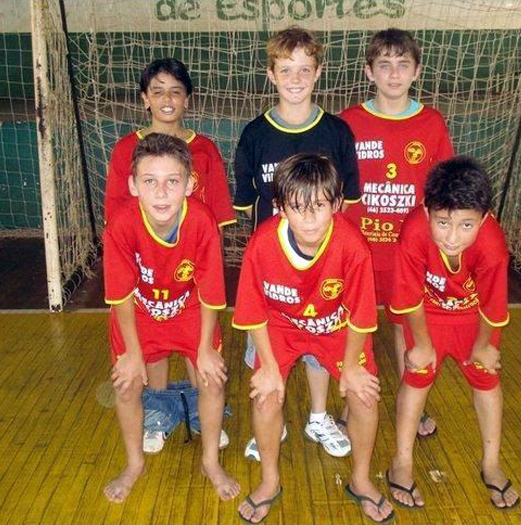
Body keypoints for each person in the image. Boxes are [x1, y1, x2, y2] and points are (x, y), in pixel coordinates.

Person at [233, 153, 393, 524]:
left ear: (337, 204)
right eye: (297, 207)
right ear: (279, 207)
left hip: (336, 327)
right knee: (266, 396)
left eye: (319, 206)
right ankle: (270, 481)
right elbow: (252, 311)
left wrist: (351, 367)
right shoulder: (262, 244)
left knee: (364, 397)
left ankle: (361, 480)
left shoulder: (353, 246)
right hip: (282, 327)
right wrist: (268, 366)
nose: (309, 219)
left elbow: (362, 315)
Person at [233, 26, 358, 460]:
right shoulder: (254, 134)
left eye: (305, 69)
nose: (296, 78)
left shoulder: (337, 132)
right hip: (273, 270)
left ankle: (319, 417)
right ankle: (274, 422)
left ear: (318, 72)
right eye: (286, 70)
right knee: (267, 353)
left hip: (323, 266)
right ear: (270, 74)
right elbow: (247, 205)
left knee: (320, 345)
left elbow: (346, 202)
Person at [104, 57, 235, 453]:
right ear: (144, 98)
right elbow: (120, 226)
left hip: (188, 280)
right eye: (157, 91)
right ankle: (157, 415)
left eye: (175, 91)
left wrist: (201, 269)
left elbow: (215, 223)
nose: (166, 99)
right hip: (146, 280)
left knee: (203, 358)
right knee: (150, 351)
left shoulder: (205, 151)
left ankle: (202, 414)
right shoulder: (126, 151)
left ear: (187, 99)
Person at [102, 133, 239, 503]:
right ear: (133, 185)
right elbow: (120, 295)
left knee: (211, 379)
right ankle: (134, 464)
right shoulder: (121, 225)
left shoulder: (203, 221)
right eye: (150, 181)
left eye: (172, 181)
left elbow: (211, 292)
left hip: (189, 308)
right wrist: (132, 354)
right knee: (126, 384)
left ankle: (210, 462)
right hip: (139, 311)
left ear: (190, 185)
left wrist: (206, 349)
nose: (161, 193)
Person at [386, 156, 520, 510]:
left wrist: (484, 346)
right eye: (442, 222)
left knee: (487, 378)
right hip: (427, 312)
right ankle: (402, 461)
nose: (451, 237)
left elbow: (493, 304)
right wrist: (422, 345)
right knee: (417, 374)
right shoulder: (414, 231)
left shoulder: (492, 244)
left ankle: (491, 463)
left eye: (466, 225)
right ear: (426, 210)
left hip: (472, 316)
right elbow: (409, 296)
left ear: (484, 219)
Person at [341, 28, 454, 439]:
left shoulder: (431, 122)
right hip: (358, 249)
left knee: (405, 328)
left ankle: (413, 405)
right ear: (369, 71)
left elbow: (444, 188)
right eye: (384, 65)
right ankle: (349, 403)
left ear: (416, 71)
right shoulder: (348, 122)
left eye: (402, 65)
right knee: (354, 327)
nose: (393, 74)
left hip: (409, 253)